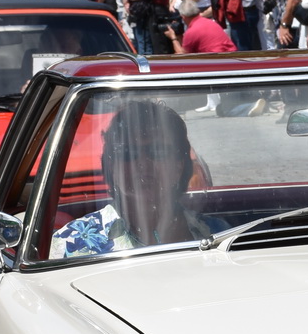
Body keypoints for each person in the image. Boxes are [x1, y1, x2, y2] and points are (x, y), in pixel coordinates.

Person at [51, 99, 209, 257]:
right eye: (128, 153)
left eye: (157, 152)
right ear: (111, 165)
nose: (142, 163)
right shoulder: (71, 245)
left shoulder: (217, 234)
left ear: (179, 166)